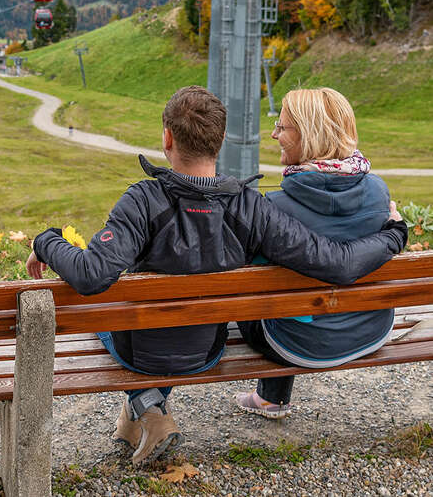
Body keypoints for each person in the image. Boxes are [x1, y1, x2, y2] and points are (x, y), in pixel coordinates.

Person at [26, 86, 407, 467]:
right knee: (168, 317)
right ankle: (141, 414)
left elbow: (92, 275)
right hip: (207, 351)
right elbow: (335, 262)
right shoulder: (251, 207)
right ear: (221, 140)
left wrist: (47, 241)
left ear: (167, 137)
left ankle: (146, 405)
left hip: (140, 352)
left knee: (109, 315)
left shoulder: (143, 200)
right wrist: (393, 235)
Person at [234, 87, 396, 419]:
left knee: (266, 297)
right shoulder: (379, 192)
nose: (273, 134)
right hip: (371, 329)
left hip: (297, 344)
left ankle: (271, 398)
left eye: (282, 127)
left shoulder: (275, 208)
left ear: (308, 135)